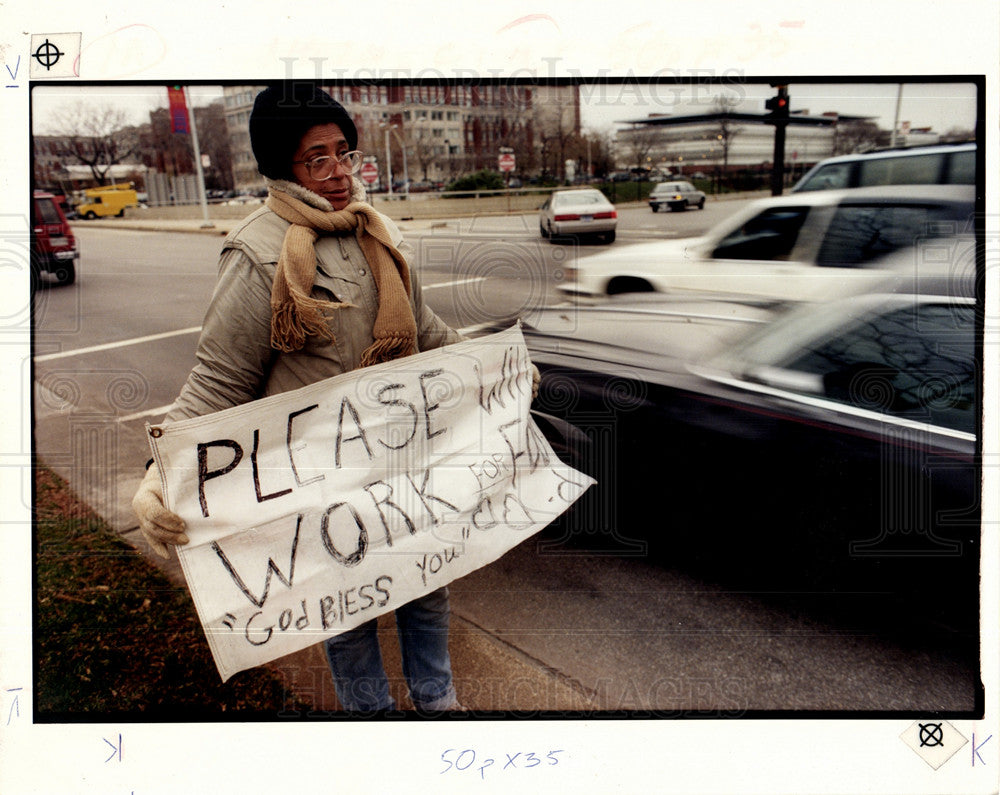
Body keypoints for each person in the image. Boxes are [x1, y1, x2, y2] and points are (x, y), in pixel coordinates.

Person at [132, 82, 507, 712]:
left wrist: (499, 370)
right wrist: (157, 476)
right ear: (284, 167)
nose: (340, 174)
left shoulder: (375, 232)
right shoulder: (257, 252)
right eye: (318, 159)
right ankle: (370, 721)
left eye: (345, 153)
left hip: (404, 467)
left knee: (427, 586)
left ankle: (438, 707)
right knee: (347, 615)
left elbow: (429, 333)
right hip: (323, 490)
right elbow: (219, 382)